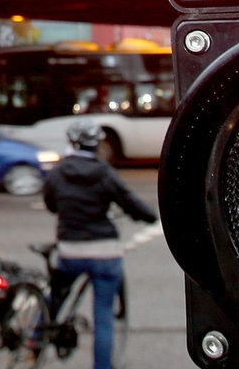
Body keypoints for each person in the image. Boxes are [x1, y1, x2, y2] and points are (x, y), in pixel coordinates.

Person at [42, 122, 158, 369]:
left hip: (71, 248)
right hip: (104, 251)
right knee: (103, 317)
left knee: (57, 293)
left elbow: (51, 203)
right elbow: (128, 201)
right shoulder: (104, 172)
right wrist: (149, 216)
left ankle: (35, 338)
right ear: (97, 145)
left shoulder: (59, 171)